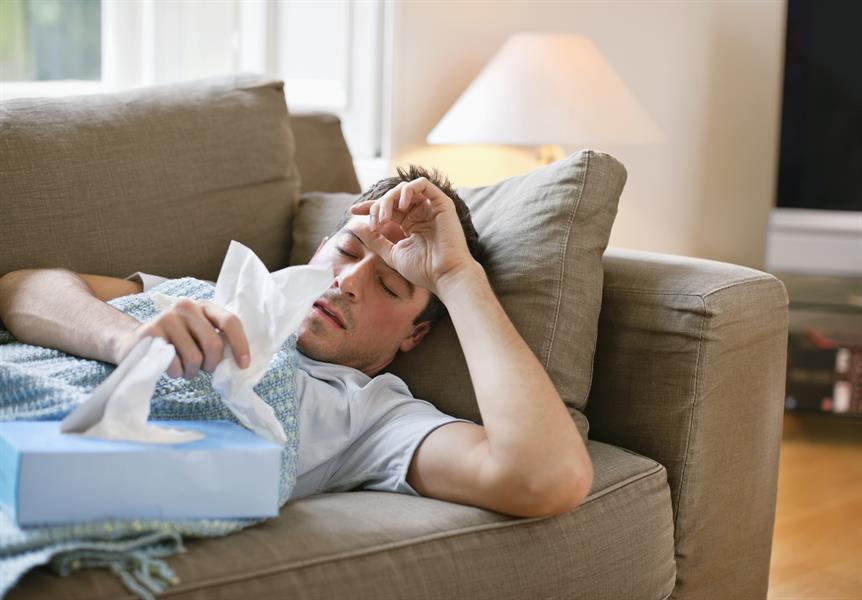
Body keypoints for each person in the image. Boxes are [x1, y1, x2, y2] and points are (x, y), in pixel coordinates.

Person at [0, 166, 592, 518]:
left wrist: (458, 279)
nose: (346, 283)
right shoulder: (210, 295)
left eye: (390, 284)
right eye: (346, 251)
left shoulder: (375, 417)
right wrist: (125, 338)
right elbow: (24, 288)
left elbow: (545, 478)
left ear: (416, 335)